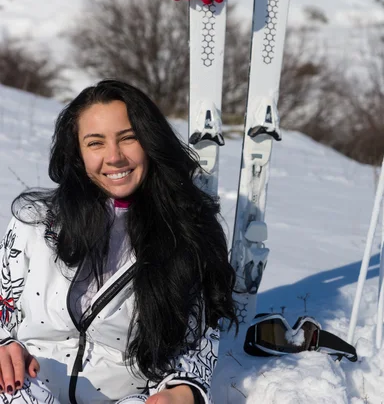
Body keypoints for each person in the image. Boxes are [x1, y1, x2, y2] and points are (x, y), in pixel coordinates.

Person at [0, 79, 237, 404]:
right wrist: (3, 347)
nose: (114, 157)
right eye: (95, 143)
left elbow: (195, 339)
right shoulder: (36, 221)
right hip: (26, 387)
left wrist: (181, 393)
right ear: (78, 152)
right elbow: (3, 306)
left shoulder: (184, 235)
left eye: (128, 138)